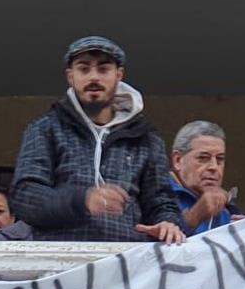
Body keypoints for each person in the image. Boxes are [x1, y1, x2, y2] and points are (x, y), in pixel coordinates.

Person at [10, 36, 184, 243]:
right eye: (84, 69)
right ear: (70, 76)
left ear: (119, 75)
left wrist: (167, 222)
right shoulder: (45, 129)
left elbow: (162, 202)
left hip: (128, 265)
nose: (94, 77)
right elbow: (25, 197)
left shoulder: (146, 137)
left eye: (103, 69)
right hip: (61, 264)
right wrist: (82, 200)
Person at [168, 120, 239, 235]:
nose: (214, 167)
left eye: (220, 159)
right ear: (178, 160)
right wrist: (194, 216)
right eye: (203, 158)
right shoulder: (154, 197)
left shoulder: (229, 209)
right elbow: (143, 247)